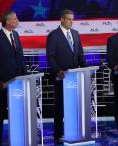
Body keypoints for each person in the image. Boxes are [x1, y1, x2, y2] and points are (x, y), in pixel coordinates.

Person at [46, 9, 86, 144]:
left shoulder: (75, 34)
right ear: (62, 19)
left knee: (74, 105)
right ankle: (58, 134)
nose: (71, 21)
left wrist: (85, 69)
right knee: (60, 106)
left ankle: (73, 130)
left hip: (75, 78)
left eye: (72, 19)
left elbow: (80, 54)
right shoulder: (53, 35)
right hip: (61, 77)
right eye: (69, 19)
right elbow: (51, 57)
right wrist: (58, 71)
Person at [0, 11, 27, 146]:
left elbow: (20, 58)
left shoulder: (15, 35)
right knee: (1, 112)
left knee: (17, 112)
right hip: (3, 83)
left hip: (18, 82)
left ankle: (17, 138)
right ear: (7, 21)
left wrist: (25, 75)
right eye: (15, 19)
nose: (17, 20)